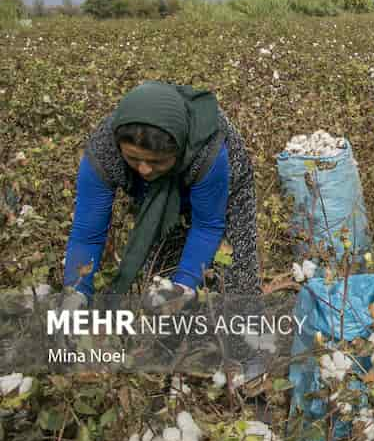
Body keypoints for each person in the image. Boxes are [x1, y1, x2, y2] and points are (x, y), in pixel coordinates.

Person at [63, 81, 259, 304]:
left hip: (222, 181)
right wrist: (76, 292)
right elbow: (87, 232)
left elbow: (207, 225)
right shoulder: (104, 150)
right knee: (161, 273)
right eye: (133, 158)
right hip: (161, 186)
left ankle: (242, 331)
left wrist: (183, 287)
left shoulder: (210, 151)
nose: (144, 169)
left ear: (178, 151)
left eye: (157, 161)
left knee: (235, 270)